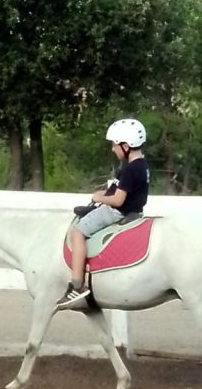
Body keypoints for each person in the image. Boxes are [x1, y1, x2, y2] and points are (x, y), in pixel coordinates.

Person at [56, 118, 150, 310]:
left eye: (115, 145)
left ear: (126, 146)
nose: (113, 149)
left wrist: (99, 197)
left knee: (77, 232)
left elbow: (118, 200)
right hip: (134, 210)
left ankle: (77, 284)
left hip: (117, 212)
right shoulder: (142, 165)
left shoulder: (130, 170)